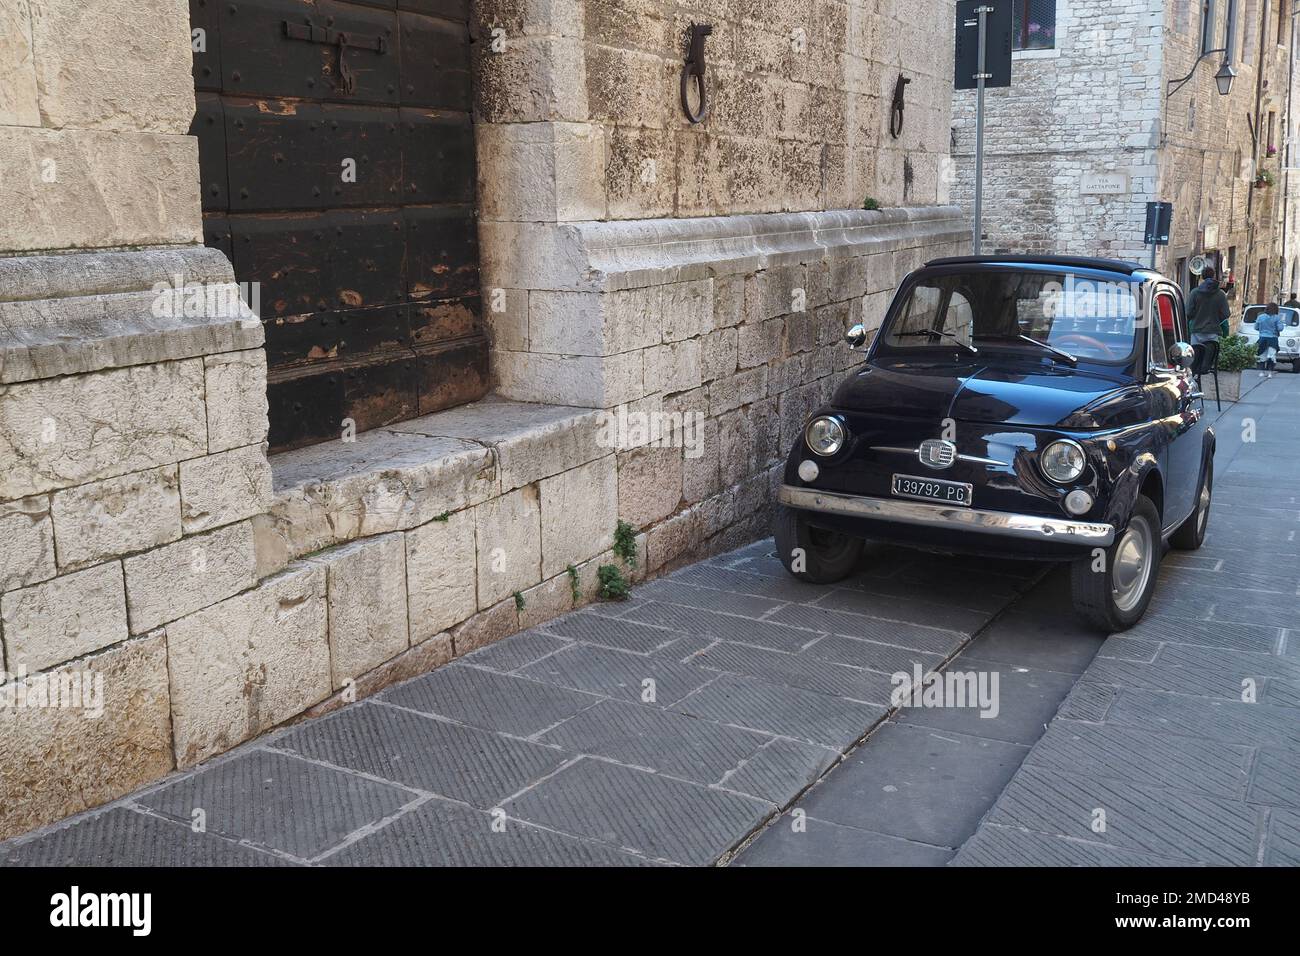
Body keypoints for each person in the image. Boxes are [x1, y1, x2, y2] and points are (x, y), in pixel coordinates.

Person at [1187, 267, 1230, 346]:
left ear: (1202, 277)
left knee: (1196, 356)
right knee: (1211, 357)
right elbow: (1226, 313)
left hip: (1197, 331)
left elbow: (1189, 312)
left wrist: (1197, 318)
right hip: (1213, 332)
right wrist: (1215, 320)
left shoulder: (1194, 293)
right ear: (1214, 276)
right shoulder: (1220, 294)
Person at [1255, 302, 1284, 378]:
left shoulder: (1260, 317)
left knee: (1262, 355)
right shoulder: (1277, 318)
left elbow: (1256, 327)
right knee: (1271, 355)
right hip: (1273, 339)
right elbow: (1280, 328)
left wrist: (1262, 330)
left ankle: (1261, 372)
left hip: (1262, 338)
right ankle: (1270, 373)